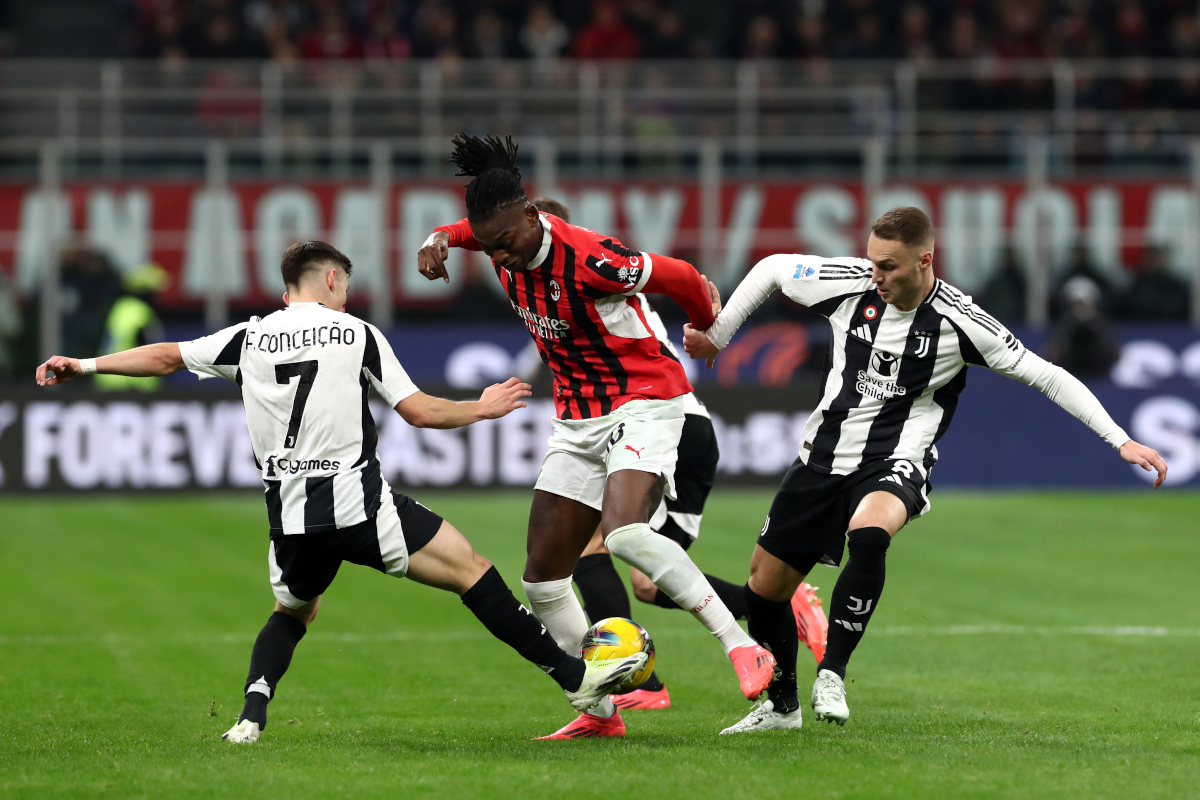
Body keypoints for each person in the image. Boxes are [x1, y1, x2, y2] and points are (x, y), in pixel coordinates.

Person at [34, 240, 648, 744]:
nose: (346, 295)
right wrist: (482, 408)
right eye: (345, 285)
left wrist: (83, 366)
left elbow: (166, 356)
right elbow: (420, 412)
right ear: (331, 280)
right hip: (359, 504)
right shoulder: (354, 334)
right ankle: (580, 683)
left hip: (291, 516)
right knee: (473, 571)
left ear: (286, 290)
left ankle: (250, 715)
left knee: (293, 611)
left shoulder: (249, 336)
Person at [684, 207, 1168, 734]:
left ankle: (833, 672)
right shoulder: (847, 284)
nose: (877, 275)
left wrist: (1119, 439)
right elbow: (775, 267)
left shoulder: (961, 321)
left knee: (869, 533)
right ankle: (782, 709)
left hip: (897, 459)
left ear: (924, 261)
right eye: (872, 262)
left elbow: (1047, 376)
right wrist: (721, 332)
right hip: (821, 458)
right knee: (764, 592)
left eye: (889, 266)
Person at [417, 134, 776, 740]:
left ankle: (744, 646)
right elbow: (468, 231)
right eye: (490, 246)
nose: (499, 257)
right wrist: (438, 239)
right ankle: (600, 709)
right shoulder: (501, 233)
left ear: (534, 216)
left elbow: (683, 274)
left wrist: (706, 325)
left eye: (505, 243)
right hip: (577, 418)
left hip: (646, 400)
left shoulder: (593, 259)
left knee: (627, 534)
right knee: (541, 579)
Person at [95, 264, 170, 391]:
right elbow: (148, 348)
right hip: (132, 383)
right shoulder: (140, 312)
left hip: (108, 378)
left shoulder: (120, 307)